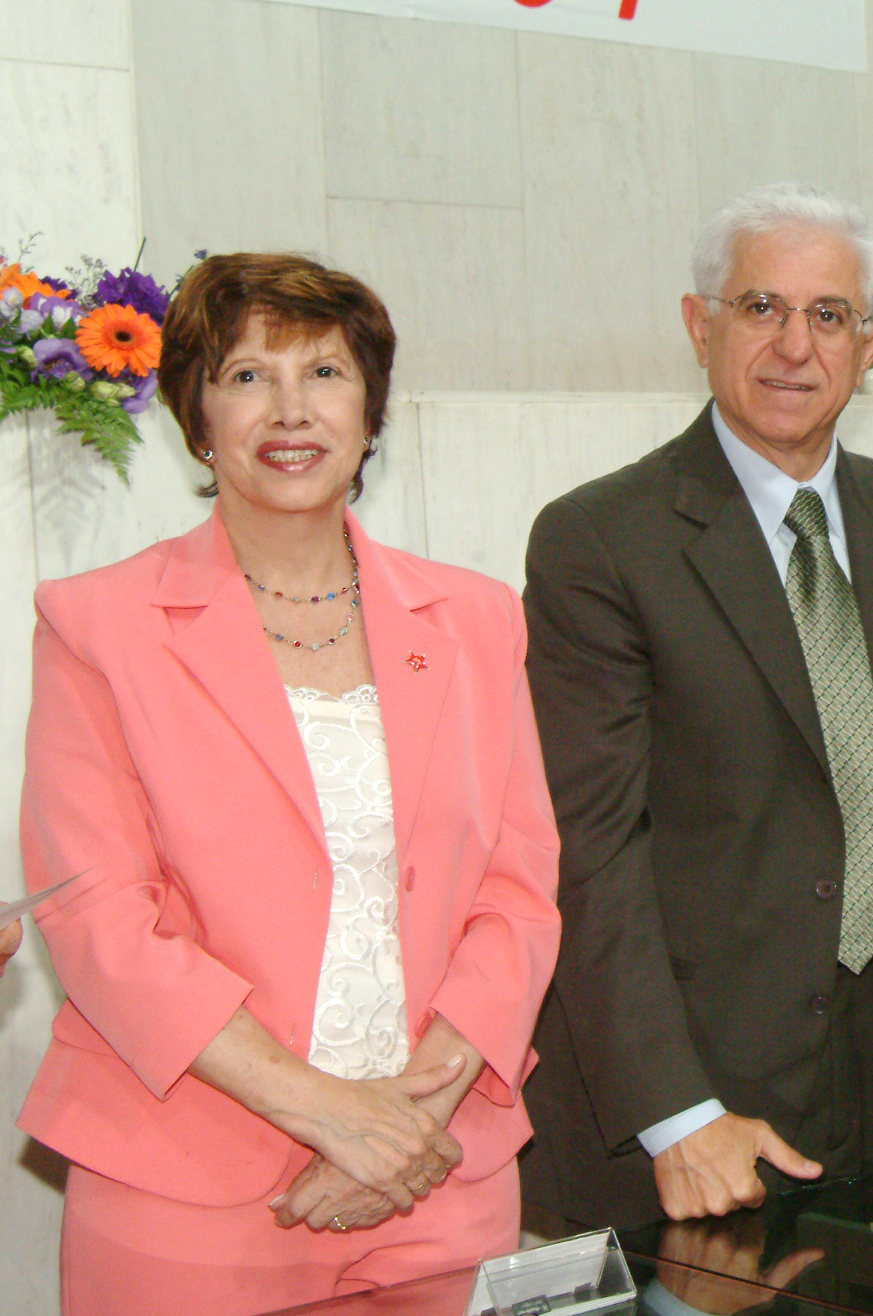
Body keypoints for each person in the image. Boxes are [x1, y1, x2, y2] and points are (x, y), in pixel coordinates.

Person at [17, 254, 562, 1316]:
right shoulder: (98, 626)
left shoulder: (476, 619)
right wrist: (327, 1113)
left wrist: (407, 1122)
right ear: (197, 416)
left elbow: (519, 887)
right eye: (247, 375)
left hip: (440, 1173)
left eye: (324, 373)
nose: (290, 410)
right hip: (188, 1190)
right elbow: (102, 920)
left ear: (370, 413)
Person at [521, 182, 873, 1231]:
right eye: (760, 308)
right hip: (700, 1114)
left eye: (829, 315)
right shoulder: (600, 541)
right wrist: (676, 1114)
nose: (794, 346)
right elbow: (592, 850)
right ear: (698, 325)